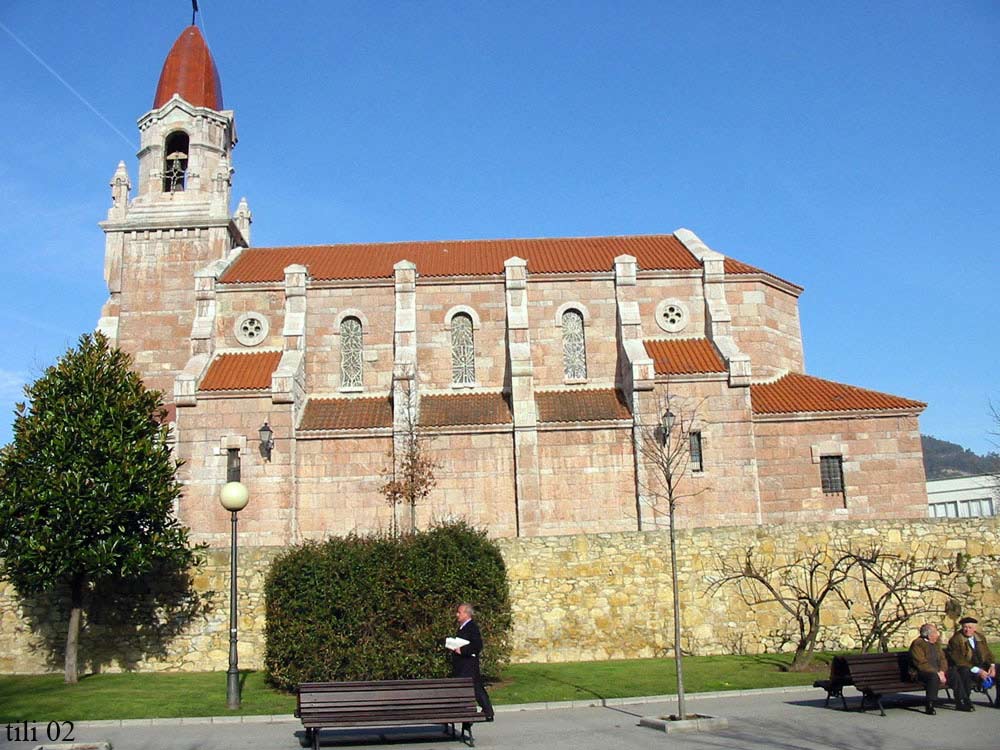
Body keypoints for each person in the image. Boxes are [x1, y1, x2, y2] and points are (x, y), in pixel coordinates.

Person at [450, 602, 494, 726]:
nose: (457, 615)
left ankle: (471, 715)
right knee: (475, 687)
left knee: (469, 689)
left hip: (468, 664)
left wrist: (462, 650)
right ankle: (486, 711)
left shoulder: (471, 627)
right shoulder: (462, 627)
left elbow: (477, 645)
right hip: (463, 664)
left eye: (459, 612)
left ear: (466, 613)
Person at [909, 623, 969, 713]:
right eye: (935, 632)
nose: (938, 634)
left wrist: (942, 671)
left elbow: (942, 659)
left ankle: (961, 700)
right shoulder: (917, 644)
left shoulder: (936, 644)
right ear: (929, 635)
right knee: (933, 677)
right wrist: (937, 673)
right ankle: (930, 704)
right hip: (920, 673)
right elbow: (921, 663)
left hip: (938, 672)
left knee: (953, 673)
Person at [947, 616, 998, 708]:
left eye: (970, 627)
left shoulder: (980, 637)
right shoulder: (956, 640)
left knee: (999, 668)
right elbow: (958, 659)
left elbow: (987, 653)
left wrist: (992, 666)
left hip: (981, 664)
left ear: (974, 628)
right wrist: (979, 671)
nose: (967, 630)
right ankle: (965, 700)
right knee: (964, 671)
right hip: (966, 666)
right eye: (965, 627)